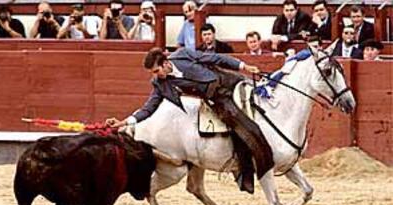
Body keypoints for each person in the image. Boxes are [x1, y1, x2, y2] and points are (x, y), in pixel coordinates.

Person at [106, 48, 275, 193]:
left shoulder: (183, 55)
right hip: (218, 100)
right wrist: (124, 122)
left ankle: (268, 156)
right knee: (242, 127)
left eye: (157, 71)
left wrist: (243, 66)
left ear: (165, 63)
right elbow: (148, 108)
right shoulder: (160, 83)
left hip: (230, 82)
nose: (156, 76)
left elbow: (215, 58)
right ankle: (247, 169)